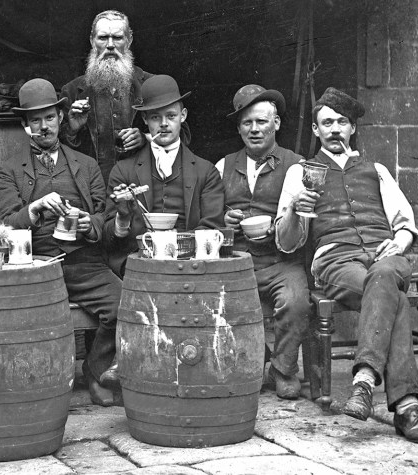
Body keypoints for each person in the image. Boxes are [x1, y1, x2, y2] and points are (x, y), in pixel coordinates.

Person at [276, 87, 418, 444]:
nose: (334, 129)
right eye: (326, 123)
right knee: (390, 295)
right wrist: (295, 209)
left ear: (351, 129)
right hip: (337, 261)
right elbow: (287, 241)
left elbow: (406, 223)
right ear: (316, 131)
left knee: (384, 275)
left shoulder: (376, 170)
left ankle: (365, 381)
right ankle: (408, 407)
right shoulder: (300, 173)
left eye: (341, 122)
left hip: (386, 257)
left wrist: (398, 241)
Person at [0, 78, 123, 407]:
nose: (43, 126)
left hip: (84, 263)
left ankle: (96, 370)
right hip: (34, 265)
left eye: (49, 117)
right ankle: (35, 384)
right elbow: (3, 225)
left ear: (61, 118)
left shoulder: (87, 165)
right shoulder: (7, 170)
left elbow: (106, 220)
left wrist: (87, 224)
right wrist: (32, 211)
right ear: (24, 126)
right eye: (34, 120)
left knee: (124, 304)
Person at [215, 84, 311, 399]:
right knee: (214, 302)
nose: (255, 130)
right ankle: (253, 365)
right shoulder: (222, 166)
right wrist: (225, 222)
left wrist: (283, 225)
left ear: (277, 124)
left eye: (262, 122)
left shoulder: (297, 165)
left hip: (281, 262)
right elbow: (210, 221)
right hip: (238, 261)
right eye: (247, 123)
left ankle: (283, 370)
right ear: (238, 127)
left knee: (296, 301)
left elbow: (306, 220)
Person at [104, 74, 224, 277]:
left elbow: (212, 228)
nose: (164, 124)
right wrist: (122, 218)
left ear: (183, 115)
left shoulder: (206, 171)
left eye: (171, 116)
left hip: (191, 266)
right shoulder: (123, 171)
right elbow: (108, 237)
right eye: (155, 117)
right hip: (138, 268)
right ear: (144, 120)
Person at [60, 9, 153, 183]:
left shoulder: (150, 84)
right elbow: (58, 151)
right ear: (92, 41)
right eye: (103, 38)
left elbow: (182, 135)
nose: (110, 45)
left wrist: (145, 138)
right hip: (93, 190)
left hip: (143, 187)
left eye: (117, 38)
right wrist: (73, 129)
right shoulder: (72, 91)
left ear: (129, 40)